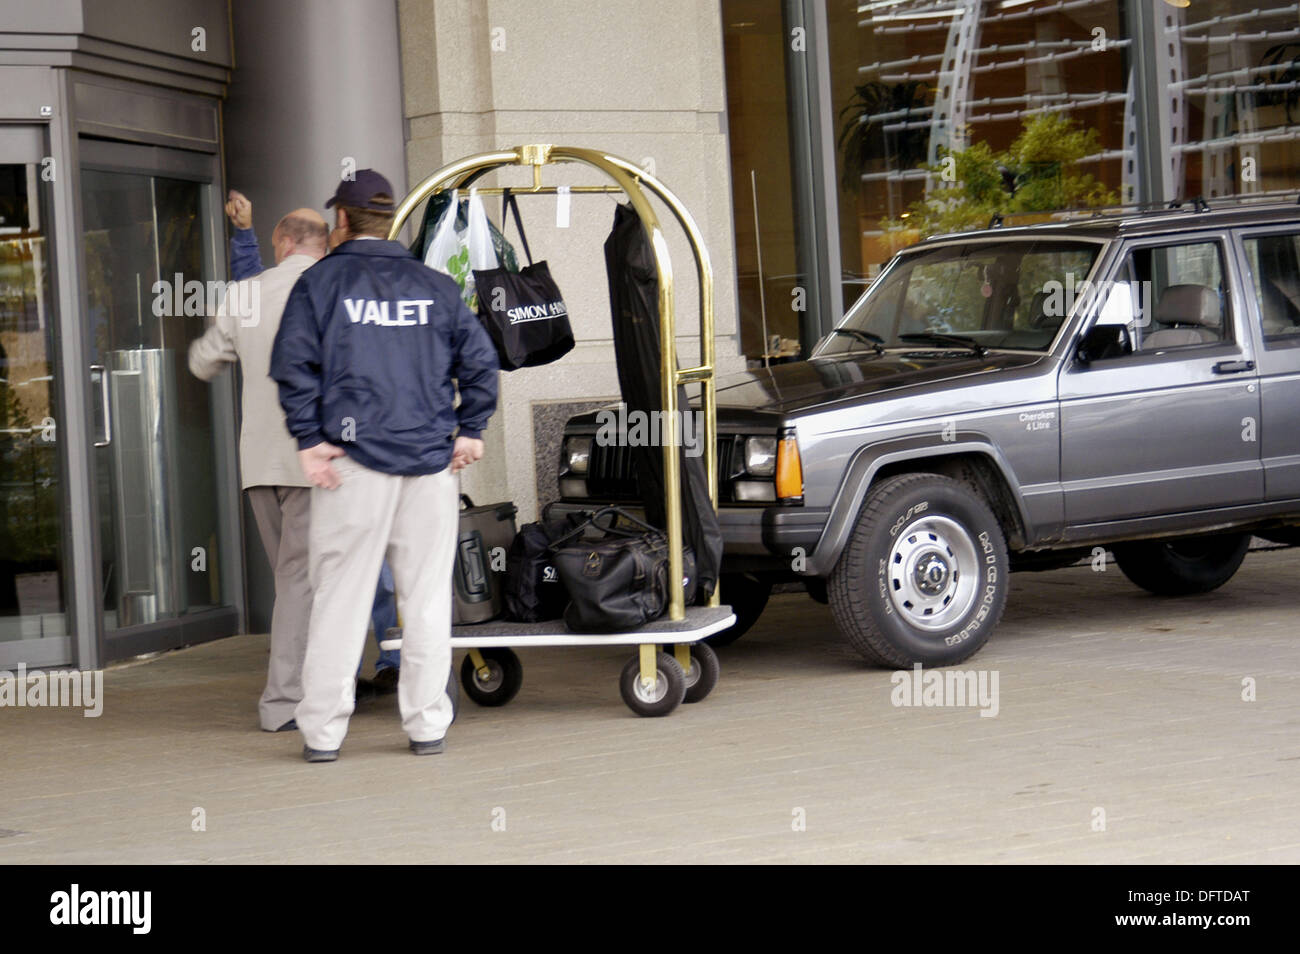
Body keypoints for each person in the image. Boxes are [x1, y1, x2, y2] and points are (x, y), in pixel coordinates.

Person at [271, 169, 499, 762]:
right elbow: (480, 360)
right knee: (424, 600)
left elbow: (294, 365)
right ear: (391, 220)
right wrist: (470, 429)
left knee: (340, 599)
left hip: (353, 463)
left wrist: (309, 439)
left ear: (341, 221)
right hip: (428, 463)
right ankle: (427, 726)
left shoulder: (318, 284)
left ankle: (322, 734)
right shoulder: (435, 285)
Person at [226, 190, 403, 693]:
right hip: (341, 452)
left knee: (320, 573)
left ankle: (338, 677)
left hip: (303, 457)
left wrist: (244, 234)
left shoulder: (326, 286)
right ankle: (366, 669)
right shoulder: (331, 285)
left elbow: (252, 289)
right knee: (360, 567)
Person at [188, 198, 329, 732]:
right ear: (321, 243)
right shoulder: (333, 288)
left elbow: (204, 361)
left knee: (293, 581)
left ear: (282, 241)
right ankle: (285, 703)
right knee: (302, 582)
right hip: (315, 461)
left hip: (261, 465)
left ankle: (311, 687)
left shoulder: (245, 294)